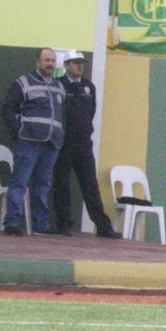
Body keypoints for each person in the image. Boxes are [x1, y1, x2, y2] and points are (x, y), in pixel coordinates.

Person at [48, 51, 119, 239]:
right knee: (62, 184)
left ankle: (103, 227)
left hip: (83, 144)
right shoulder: (58, 85)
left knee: (90, 185)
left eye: (82, 63)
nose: (80, 66)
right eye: (75, 63)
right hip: (63, 143)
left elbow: (90, 112)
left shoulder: (89, 87)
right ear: (66, 65)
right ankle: (63, 225)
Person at [0, 47, 65, 236]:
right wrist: (19, 129)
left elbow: (63, 115)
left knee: (43, 186)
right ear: (38, 62)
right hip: (28, 142)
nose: (50, 64)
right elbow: (7, 110)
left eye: (53, 60)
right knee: (19, 183)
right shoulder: (23, 82)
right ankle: (11, 223)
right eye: (46, 60)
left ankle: (41, 226)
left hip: (52, 143)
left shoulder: (59, 87)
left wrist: (60, 134)